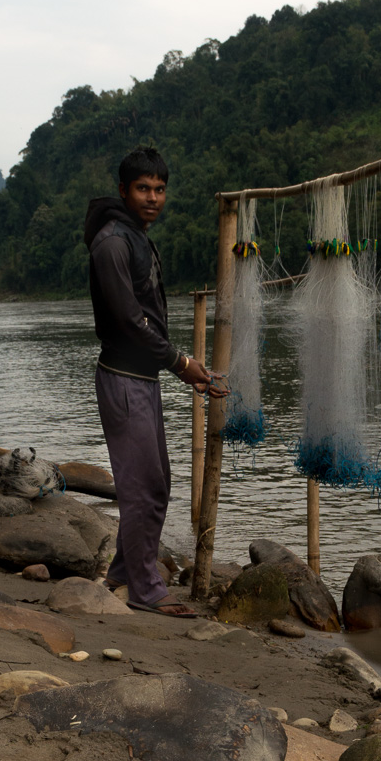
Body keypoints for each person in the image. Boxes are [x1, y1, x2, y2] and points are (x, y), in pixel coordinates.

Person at [84, 146, 225, 616]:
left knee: (156, 482)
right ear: (124, 191)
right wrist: (182, 363)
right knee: (142, 485)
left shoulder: (135, 236)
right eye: (143, 189)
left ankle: (125, 574)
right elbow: (128, 320)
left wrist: (177, 365)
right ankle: (147, 591)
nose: (153, 197)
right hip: (124, 380)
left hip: (142, 379)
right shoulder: (112, 242)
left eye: (160, 189)